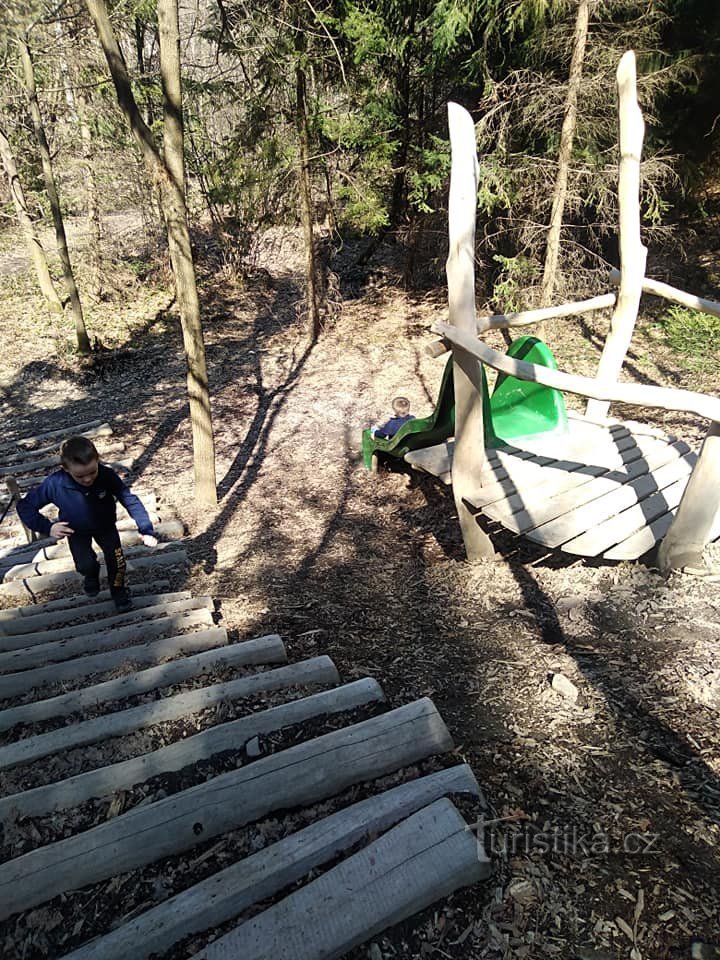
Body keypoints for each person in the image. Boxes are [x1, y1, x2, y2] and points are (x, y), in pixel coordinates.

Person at [16, 436, 158, 612]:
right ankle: (91, 575)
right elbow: (25, 506)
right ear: (66, 469)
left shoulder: (106, 476)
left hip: (106, 527)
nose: (88, 479)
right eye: (80, 476)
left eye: (92, 472)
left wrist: (145, 528)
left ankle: (118, 591)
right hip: (75, 531)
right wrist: (48, 527)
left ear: (97, 460)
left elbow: (129, 499)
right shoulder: (55, 484)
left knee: (117, 562)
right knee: (85, 564)